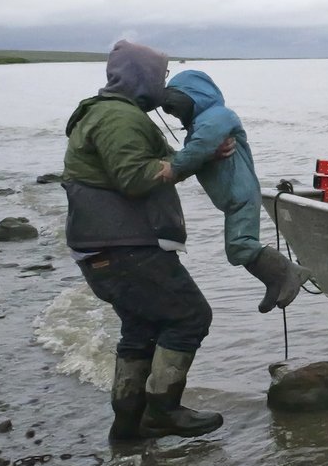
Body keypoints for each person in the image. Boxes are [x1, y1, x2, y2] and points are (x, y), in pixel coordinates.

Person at [62, 40, 224, 442]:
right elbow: (136, 179)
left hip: (103, 248)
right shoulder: (119, 118)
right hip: (125, 247)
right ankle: (164, 411)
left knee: (142, 329)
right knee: (190, 316)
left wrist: (203, 154)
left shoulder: (106, 113)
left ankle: (128, 426)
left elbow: (155, 166)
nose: (164, 82)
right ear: (142, 77)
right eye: (160, 75)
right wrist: (197, 156)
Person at [158, 69, 311, 312]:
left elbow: (202, 145)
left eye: (176, 109)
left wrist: (174, 167)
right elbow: (201, 149)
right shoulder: (201, 124)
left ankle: (288, 272)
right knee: (237, 248)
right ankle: (274, 281)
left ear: (190, 98)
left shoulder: (218, 117)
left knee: (241, 245)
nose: (176, 116)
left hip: (241, 195)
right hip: (232, 199)